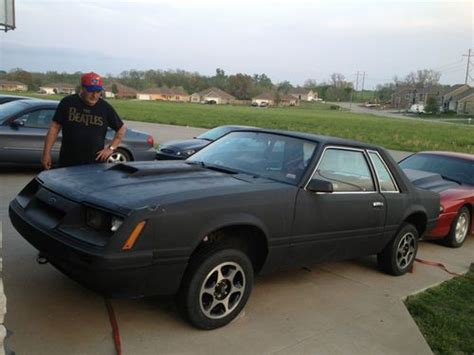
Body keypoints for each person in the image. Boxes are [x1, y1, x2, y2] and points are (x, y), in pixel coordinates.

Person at [42, 72, 126, 169]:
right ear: (82, 88)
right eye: (91, 91)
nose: (95, 95)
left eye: (98, 92)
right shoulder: (68, 102)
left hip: (94, 165)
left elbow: (121, 128)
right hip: (68, 162)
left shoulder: (105, 108)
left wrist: (111, 148)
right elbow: (54, 127)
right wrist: (46, 153)